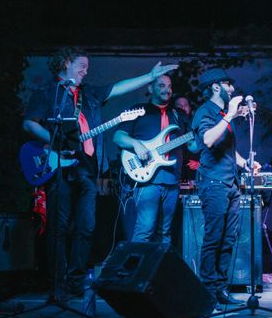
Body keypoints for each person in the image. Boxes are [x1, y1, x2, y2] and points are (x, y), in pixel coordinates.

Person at [23, 46, 178, 299]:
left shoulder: (89, 94)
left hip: (86, 169)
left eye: (87, 66)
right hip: (59, 168)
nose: (86, 70)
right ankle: (57, 284)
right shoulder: (47, 93)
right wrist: (55, 143)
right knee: (59, 228)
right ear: (66, 63)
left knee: (86, 227)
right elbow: (29, 123)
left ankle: (76, 281)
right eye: (82, 65)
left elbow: (118, 87)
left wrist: (149, 77)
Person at [191, 68, 261, 306]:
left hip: (230, 183)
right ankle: (207, 291)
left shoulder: (221, 114)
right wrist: (230, 115)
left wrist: (246, 164)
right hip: (213, 183)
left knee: (228, 239)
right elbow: (209, 140)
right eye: (229, 85)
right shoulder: (205, 113)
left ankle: (221, 288)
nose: (233, 89)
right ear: (216, 87)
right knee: (213, 238)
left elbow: (227, 150)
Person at [113, 75, 198, 244]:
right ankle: (136, 270)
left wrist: (206, 137)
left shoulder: (177, 114)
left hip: (172, 179)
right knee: (144, 230)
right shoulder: (138, 110)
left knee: (165, 233)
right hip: (147, 180)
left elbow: (192, 146)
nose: (167, 89)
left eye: (169, 86)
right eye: (161, 85)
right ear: (150, 88)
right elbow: (118, 136)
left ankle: (161, 270)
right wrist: (136, 144)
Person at [174, 95, 200, 182]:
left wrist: (200, 164)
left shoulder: (197, 125)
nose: (182, 108)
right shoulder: (169, 126)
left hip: (192, 173)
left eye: (185, 105)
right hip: (174, 171)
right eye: (179, 105)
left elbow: (208, 149)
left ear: (190, 108)